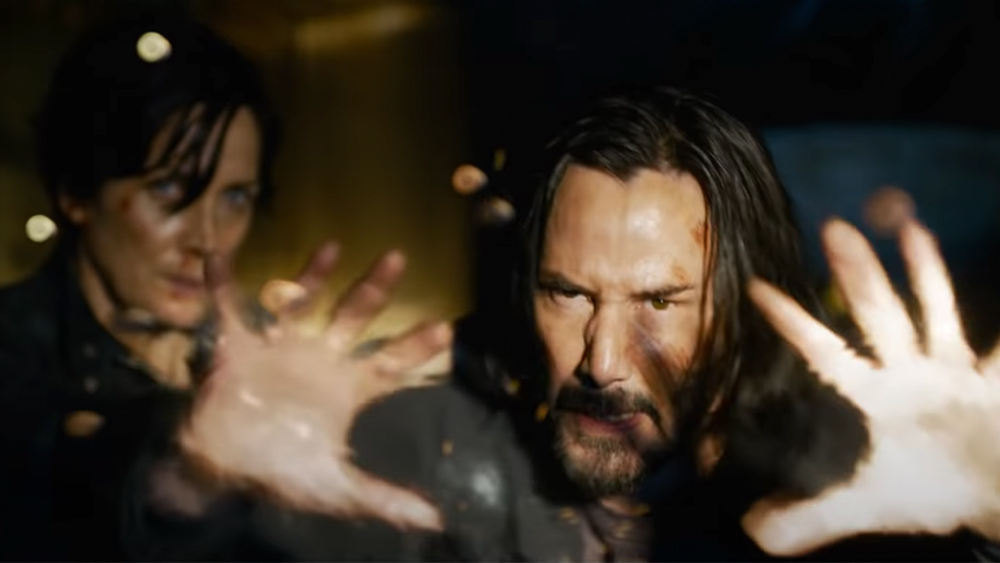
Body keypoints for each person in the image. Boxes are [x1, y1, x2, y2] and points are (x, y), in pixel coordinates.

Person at [139, 87, 1000, 562]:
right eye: (570, 294)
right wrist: (195, 484)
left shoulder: (859, 484)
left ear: (743, 311)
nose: (603, 360)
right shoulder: (438, 450)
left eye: (659, 301)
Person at [0, 9, 303, 560]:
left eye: (235, 198)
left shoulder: (257, 354)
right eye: (169, 191)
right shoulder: (14, 353)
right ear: (77, 192)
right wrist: (185, 462)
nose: (207, 240)